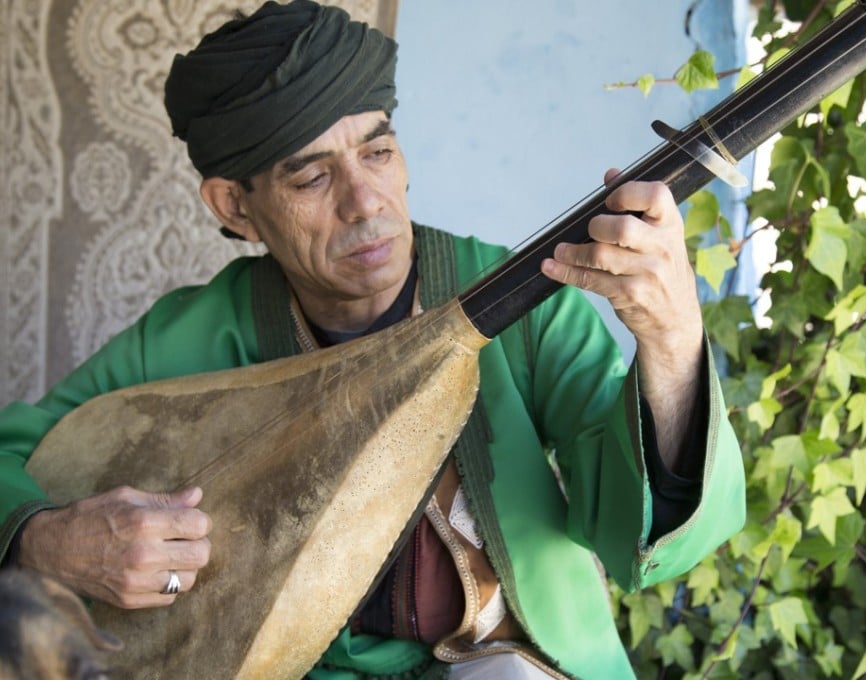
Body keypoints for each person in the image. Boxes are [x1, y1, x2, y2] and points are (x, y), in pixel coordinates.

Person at [0, 1, 745, 678]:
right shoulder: (194, 336)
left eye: (378, 152)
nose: (367, 203)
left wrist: (673, 339)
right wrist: (47, 540)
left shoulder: (530, 299)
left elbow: (642, 539)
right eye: (311, 178)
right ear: (235, 206)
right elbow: (15, 455)